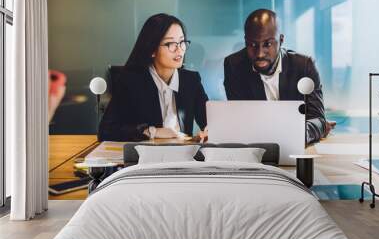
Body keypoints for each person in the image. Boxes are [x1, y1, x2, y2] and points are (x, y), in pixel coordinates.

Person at [224, 8, 334, 144]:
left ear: (281, 40)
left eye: (267, 44)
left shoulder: (304, 66)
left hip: (296, 146)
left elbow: (318, 119)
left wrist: (296, 135)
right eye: (252, 45)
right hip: (256, 147)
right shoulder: (234, 66)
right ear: (245, 41)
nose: (259, 54)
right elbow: (239, 118)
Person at [98, 13, 208, 142]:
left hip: (183, 156)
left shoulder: (191, 81)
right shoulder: (131, 82)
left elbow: (209, 122)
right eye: (170, 43)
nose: (179, 50)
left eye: (182, 42)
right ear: (152, 49)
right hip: (146, 158)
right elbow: (106, 131)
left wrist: (209, 131)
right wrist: (153, 132)